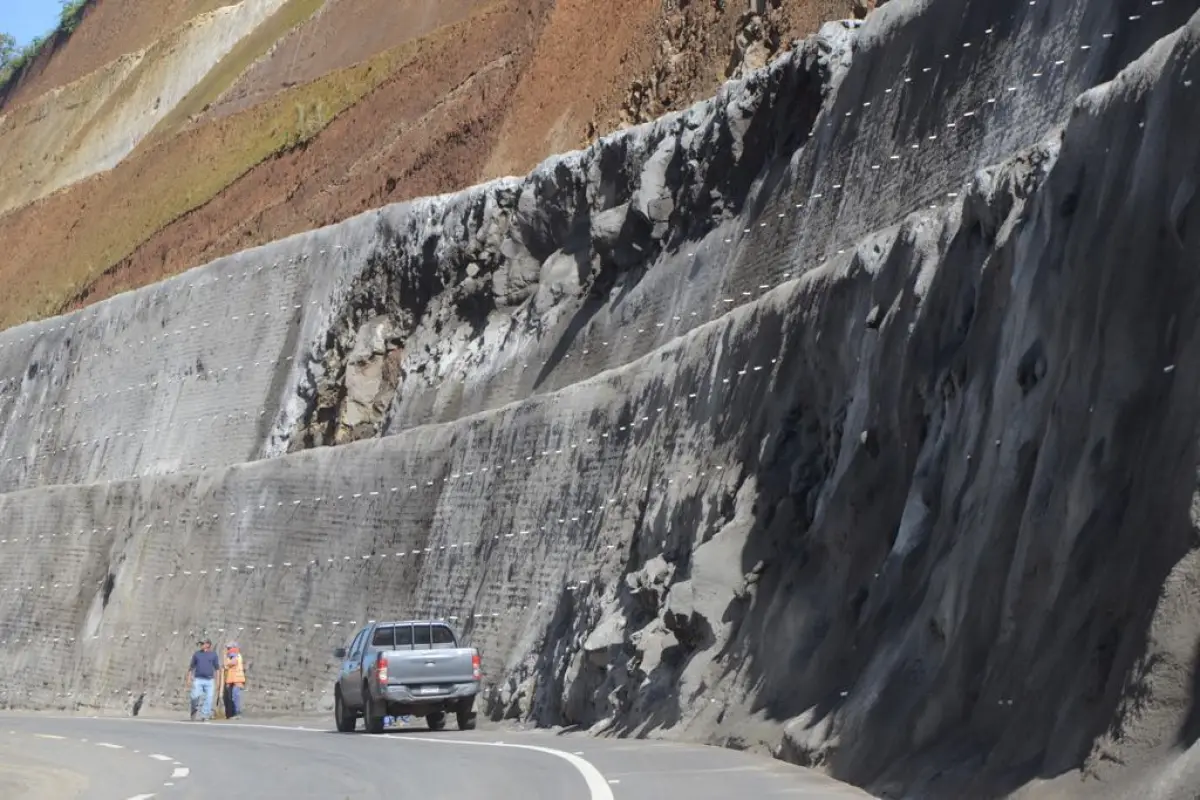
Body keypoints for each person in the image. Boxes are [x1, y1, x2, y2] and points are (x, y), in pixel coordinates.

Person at [186, 639, 222, 721]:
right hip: (198, 679)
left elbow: (217, 669)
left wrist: (218, 681)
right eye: (200, 643)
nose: (201, 645)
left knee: (209, 698)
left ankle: (205, 715)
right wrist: (188, 679)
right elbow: (191, 668)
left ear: (208, 644)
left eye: (202, 643)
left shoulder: (213, 655)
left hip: (209, 680)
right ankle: (193, 710)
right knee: (194, 697)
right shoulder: (197, 654)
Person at [222, 641, 247, 719]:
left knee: (236, 697)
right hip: (234, 680)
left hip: (237, 680)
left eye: (229, 648)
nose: (227, 650)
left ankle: (237, 713)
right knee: (234, 697)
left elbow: (231, 663)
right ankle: (235, 713)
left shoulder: (234, 655)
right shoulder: (235, 655)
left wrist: (225, 659)